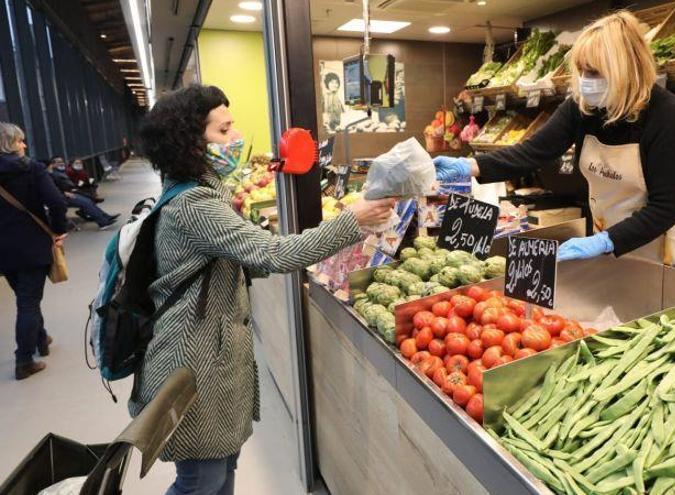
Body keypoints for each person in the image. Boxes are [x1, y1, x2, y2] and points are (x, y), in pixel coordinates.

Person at [132, 84, 395, 495]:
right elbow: (272, 254)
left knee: (221, 468)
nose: (235, 138)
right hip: (192, 362)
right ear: (189, 141)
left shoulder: (201, 193)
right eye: (223, 130)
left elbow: (243, 260)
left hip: (211, 355)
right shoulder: (194, 206)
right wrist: (351, 221)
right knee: (201, 480)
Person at [434, 12, 675, 271]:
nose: (586, 81)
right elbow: (532, 152)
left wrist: (604, 241)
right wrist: (469, 166)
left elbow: (664, 208)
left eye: (594, 72)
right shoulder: (583, 107)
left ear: (626, 71)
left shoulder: (667, 116)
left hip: (664, 240)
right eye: (582, 71)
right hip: (609, 228)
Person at [0, 123, 67, 380]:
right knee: (28, 302)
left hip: (3, 251)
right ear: (9, 144)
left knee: (24, 296)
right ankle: (24, 360)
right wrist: (57, 230)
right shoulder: (31, 169)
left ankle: (41, 339)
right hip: (31, 245)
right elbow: (57, 202)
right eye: (19, 141)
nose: (24, 146)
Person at [46, 159, 119, 229]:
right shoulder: (48, 176)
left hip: (67, 193)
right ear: (51, 165)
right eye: (57, 162)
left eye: (61, 161)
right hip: (62, 197)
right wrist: (64, 192)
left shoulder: (55, 173)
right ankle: (102, 222)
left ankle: (105, 217)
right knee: (86, 202)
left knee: (88, 200)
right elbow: (52, 189)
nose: (61, 163)